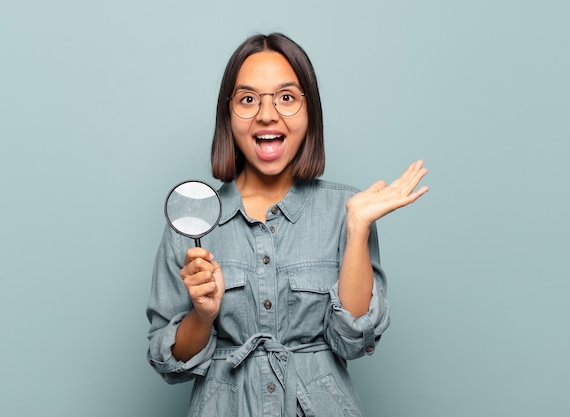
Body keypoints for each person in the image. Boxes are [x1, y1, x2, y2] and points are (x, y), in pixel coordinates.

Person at [146, 32, 428, 417]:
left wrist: (358, 227)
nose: (267, 114)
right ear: (228, 114)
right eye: (248, 99)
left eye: (286, 97)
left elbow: (352, 343)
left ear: (309, 111)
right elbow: (168, 362)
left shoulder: (346, 210)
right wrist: (202, 315)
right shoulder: (192, 222)